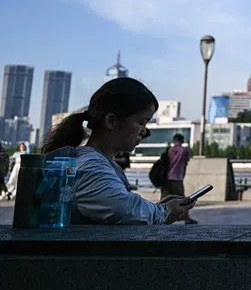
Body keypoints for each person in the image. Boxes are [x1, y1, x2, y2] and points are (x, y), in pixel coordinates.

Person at [41, 77, 196, 224]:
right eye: (141, 122)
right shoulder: (91, 167)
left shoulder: (96, 162)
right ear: (112, 121)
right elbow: (122, 208)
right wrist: (164, 212)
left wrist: (159, 208)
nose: (144, 131)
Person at [161, 134, 198, 224]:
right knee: (182, 199)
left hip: (167, 179)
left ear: (174, 140)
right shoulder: (184, 150)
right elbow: (187, 160)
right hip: (177, 178)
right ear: (182, 140)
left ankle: (160, 217)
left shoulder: (169, 150)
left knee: (164, 199)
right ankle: (186, 218)